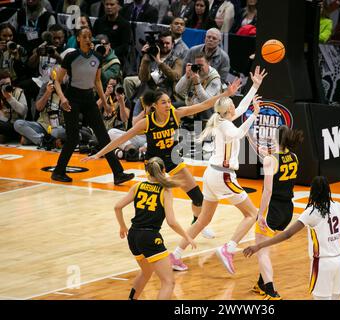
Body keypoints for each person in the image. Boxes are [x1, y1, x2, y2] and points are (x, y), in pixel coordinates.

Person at [82, 76, 243, 240]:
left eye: (169, 101)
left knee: (198, 198)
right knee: (159, 199)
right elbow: (121, 139)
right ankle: (146, 229)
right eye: (164, 102)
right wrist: (98, 153)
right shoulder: (146, 122)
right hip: (154, 163)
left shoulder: (176, 114)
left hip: (172, 158)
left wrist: (226, 94)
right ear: (155, 106)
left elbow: (203, 105)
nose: (168, 105)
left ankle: (197, 223)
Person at [169, 66, 267, 274]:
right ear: (228, 110)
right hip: (223, 176)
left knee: (203, 220)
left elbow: (241, 108)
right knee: (252, 214)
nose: (235, 107)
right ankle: (229, 249)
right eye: (233, 105)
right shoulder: (226, 126)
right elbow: (240, 132)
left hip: (212, 175)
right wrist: (254, 115)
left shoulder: (223, 119)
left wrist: (255, 86)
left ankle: (175, 255)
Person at [243, 176, 340, 300]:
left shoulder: (312, 212)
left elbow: (288, 234)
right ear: (328, 190)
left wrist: (258, 246)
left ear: (312, 191)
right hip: (339, 261)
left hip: (322, 263)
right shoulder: (338, 206)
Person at [51, 27, 135, 185]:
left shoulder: (97, 57)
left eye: (90, 37)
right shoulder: (71, 56)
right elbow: (57, 80)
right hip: (72, 99)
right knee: (73, 138)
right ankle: (58, 171)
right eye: (84, 37)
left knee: (104, 136)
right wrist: (62, 98)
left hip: (89, 98)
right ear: (78, 39)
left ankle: (118, 174)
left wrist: (105, 103)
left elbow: (97, 81)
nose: (88, 39)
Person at [114, 157, 196, 300]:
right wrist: (187, 236)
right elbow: (171, 222)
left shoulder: (138, 186)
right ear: (164, 171)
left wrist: (122, 226)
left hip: (133, 236)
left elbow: (117, 207)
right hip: (150, 237)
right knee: (168, 282)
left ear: (147, 172)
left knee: (146, 272)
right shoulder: (165, 191)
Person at [249, 125, 303, 300]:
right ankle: (261, 284)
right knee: (266, 246)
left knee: (262, 251)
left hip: (273, 209)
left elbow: (268, 190)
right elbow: (270, 158)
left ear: (275, 138)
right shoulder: (294, 157)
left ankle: (272, 292)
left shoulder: (270, 160)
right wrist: (249, 138)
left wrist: (261, 214)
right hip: (288, 209)